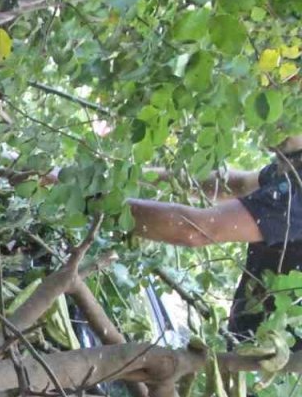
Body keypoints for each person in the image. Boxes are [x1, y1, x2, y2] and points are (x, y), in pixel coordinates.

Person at [90, 136, 302, 340]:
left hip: (274, 356)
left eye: (282, 122)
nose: (268, 133)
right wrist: (131, 177)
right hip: (249, 338)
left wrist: (91, 201)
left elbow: (195, 230)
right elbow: (238, 185)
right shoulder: (292, 166)